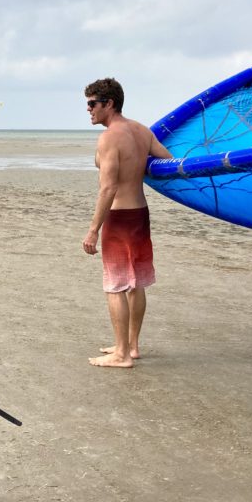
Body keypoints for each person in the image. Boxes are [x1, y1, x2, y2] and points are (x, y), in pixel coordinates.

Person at [81, 78, 173, 368]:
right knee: (136, 283)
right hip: (140, 214)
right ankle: (131, 346)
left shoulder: (109, 138)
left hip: (119, 218)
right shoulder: (141, 131)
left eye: (93, 104)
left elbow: (107, 188)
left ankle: (121, 355)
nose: (89, 109)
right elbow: (168, 161)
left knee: (115, 285)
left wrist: (93, 230)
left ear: (109, 103)